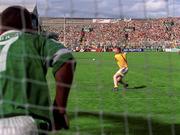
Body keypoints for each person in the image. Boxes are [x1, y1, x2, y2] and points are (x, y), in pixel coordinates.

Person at [0, 6, 76, 135]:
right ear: (29, 25)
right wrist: (59, 108)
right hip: (24, 122)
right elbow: (65, 59)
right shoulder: (36, 40)